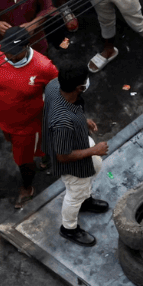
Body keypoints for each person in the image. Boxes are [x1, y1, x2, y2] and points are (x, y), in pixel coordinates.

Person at [0, 26, 61, 209]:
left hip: (29, 126)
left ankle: (27, 188)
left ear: (27, 46)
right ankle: (47, 155)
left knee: (24, 161)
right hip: (5, 118)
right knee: (37, 146)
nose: (9, 56)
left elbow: (59, 94)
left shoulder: (44, 67)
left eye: (15, 52)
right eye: (7, 51)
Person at [42, 66, 111, 246]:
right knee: (74, 195)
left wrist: (82, 121)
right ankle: (69, 228)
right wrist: (94, 150)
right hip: (73, 163)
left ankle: (85, 201)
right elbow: (63, 157)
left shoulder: (54, 86)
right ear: (79, 88)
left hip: (76, 140)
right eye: (85, 82)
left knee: (85, 184)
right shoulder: (62, 123)